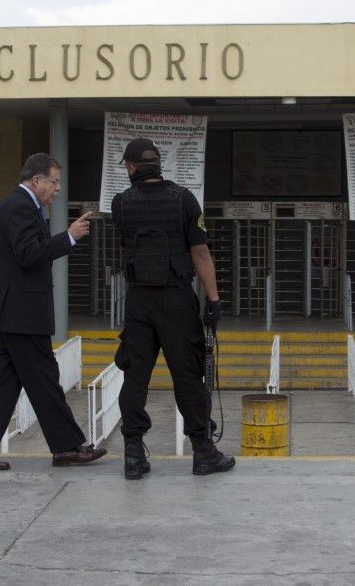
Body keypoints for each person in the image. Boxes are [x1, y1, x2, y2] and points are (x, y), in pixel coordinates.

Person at [0, 153, 106, 471]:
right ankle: (66, 447)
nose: (57, 189)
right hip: (21, 311)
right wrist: (68, 237)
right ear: (36, 180)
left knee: (3, 382)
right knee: (44, 379)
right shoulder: (20, 206)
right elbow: (27, 255)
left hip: (18, 311)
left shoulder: (22, 205)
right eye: (54, 182)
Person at [112, 137, 235, 479]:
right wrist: (213, 300)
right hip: (176, 300)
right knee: (187, 376)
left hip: (138, 302)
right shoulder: (183, 199)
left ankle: (134, 455)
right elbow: (200, 254)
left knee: (135, 377)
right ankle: (203, 452)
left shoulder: (121, 203)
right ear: (158, 164)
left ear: (132, 167)